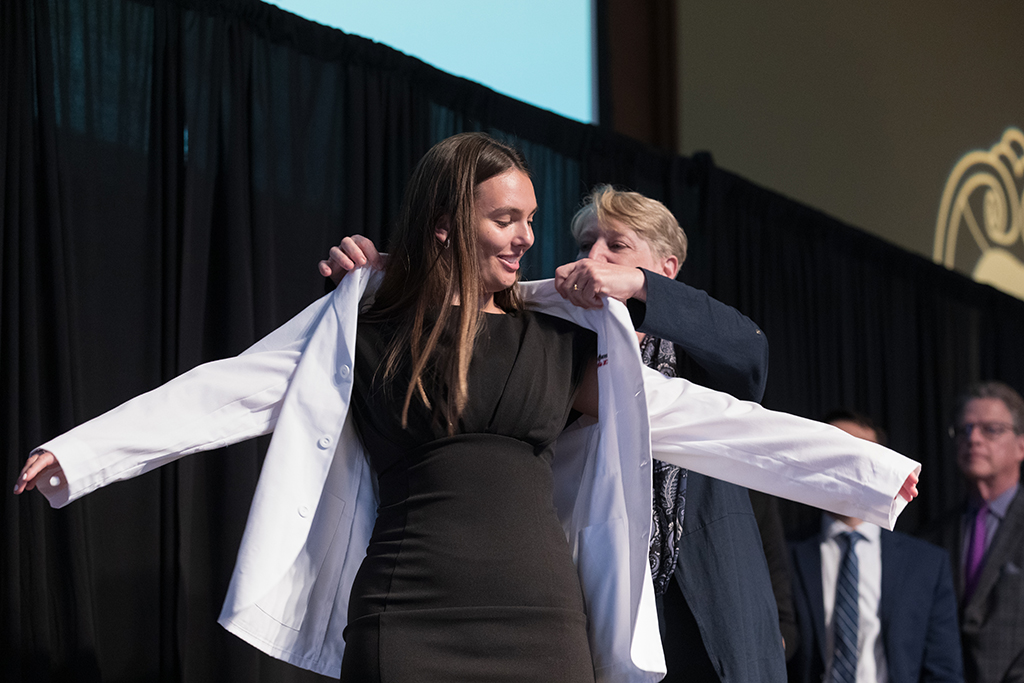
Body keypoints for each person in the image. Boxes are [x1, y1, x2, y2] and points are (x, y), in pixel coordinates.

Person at [16, 132, 921, 683]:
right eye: (506, 219)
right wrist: (82, 453)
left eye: (529, 218)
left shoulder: (564, 336)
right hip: (409, 617)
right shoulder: (368, 323)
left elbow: (718, 421)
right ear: (447, 221)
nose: (528, 235)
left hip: (541, 626)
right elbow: (231, 387)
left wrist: (872, 472)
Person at [322, 184, 795, 682]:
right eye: (585, 244)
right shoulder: (559, 344)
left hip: (707, 611)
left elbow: (750, 351)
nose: (594, 257)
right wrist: (383, 276)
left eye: (616, 245)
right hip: (602, 609)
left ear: (666, 268)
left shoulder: (699, 362)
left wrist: (638, 287)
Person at [788, 410, 963, 683]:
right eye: (835, 450)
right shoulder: (786, 553)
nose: (847, 463)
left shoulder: (925, 563)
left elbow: (943, 669)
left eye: (860, 453)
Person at [926, 382, 1024, 683]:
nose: (973, 439)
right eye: (964, 429)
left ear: (1021, 445)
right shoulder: (932, 536)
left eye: (990, 429)